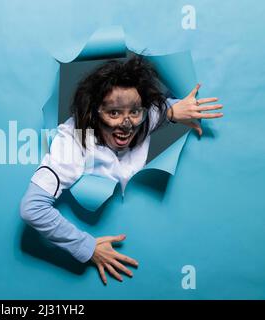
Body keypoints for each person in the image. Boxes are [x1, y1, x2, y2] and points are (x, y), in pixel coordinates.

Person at [19, 55, 223, 285]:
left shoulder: (144, 118)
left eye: (134, 112)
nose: (126, 124)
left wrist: (175, 111)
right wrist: (86, 246)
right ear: (94, 111)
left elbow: (160, 110)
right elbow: (32, 208)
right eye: (113, 113)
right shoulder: (72, 142)